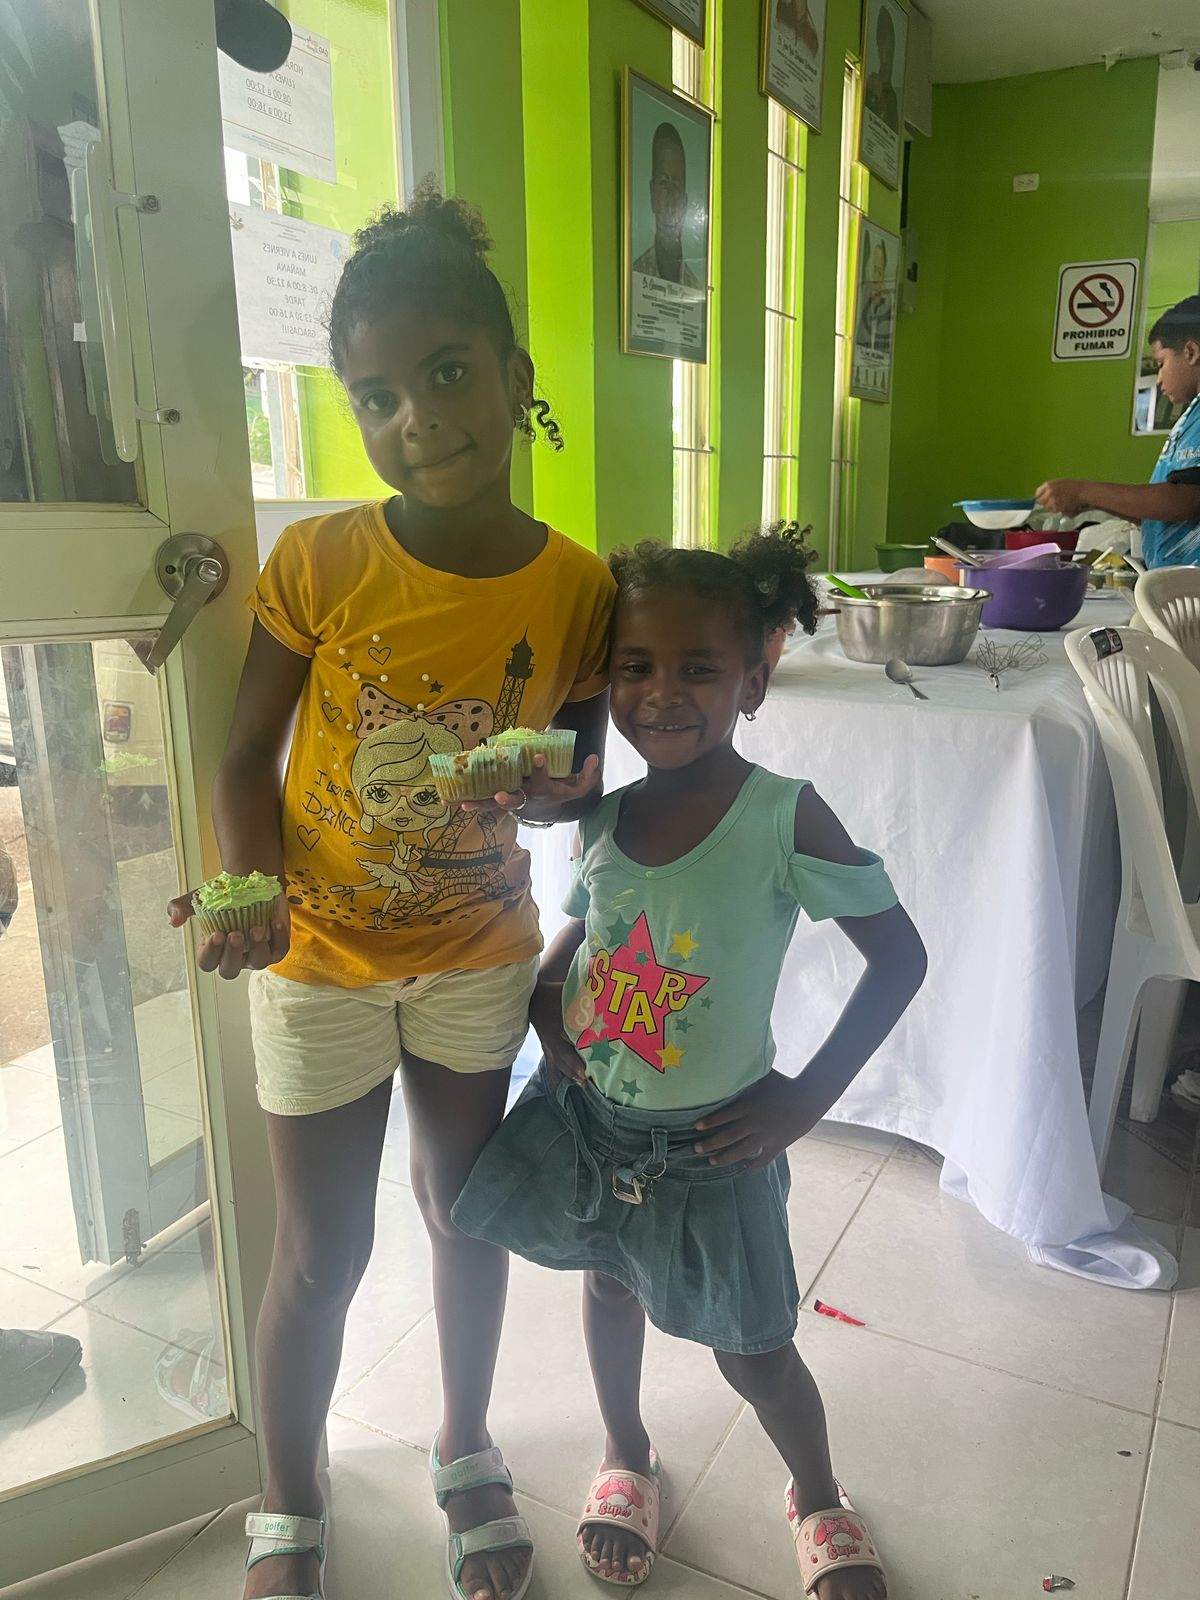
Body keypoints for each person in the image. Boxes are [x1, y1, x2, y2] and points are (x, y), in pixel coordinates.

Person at [168, 182, 615, 1600]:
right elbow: (244, 756)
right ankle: (289, 1504)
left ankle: (466, 1444)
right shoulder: (321, 559)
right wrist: (246, 886)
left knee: (462, 1211)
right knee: (322, 1249)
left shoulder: (578, 589)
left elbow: (582, 774)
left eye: (448, 373)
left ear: (515, 378)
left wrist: (539, 792)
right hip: (315, 955)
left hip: (478, 950)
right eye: (377, 396)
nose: (418, 417)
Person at [455, 527, 927, 1597]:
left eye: (699, 668)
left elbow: (900, 958)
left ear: (752, 682)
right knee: (608, 1287)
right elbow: (586, 931)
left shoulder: (783, 815)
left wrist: (804, 1101)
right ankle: (626, 1453)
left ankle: (818, 1495)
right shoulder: (607, 817)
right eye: (637, 666)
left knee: (754, 1347)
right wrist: (547, 1003)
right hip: (594, 1124)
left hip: (715, 1145)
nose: (662, 693)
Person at [1038, 294, 1200, 568]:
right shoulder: (1191, 418)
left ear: (1191, 352)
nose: (1158, 379)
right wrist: (1095, 502)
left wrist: (1083, 490)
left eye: (1161, 363)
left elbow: (1186, 501)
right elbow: (1165, 512)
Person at [632, 122, 700, 289]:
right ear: (652, 194)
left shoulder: (696, 290)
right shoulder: (634, 278)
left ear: (685, 202)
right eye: (664, 183)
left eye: (676, 185)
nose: (670, 198)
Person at [864, 4, 900, 134]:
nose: (885, 56)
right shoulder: (872, 84)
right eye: (882, 49)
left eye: (888, 50)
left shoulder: (892, 97)